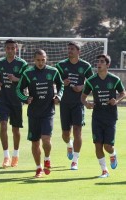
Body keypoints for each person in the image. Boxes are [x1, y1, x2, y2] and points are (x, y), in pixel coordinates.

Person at [16, 49, 64, 178]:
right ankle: (38, 168)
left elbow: (61, 85)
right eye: (38, 60)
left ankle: (47, 158)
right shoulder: (28, 73)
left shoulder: (53, 71)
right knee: (35, 142)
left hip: (48, 111)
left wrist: (58, 96)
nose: (41, 63)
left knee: (46, 139)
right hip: (33, 113)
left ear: (46, 59)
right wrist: (25, 98)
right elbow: (19, 89)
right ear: (34, 60)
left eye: (43, 60)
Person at [81, 54, 125, 178]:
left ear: (107, 65)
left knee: (107, 146)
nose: (98, 64)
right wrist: (86, 104)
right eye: (98, 61)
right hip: (97, 117)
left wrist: (116, 100)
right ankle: (104, 170)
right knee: (98, 144)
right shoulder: (91, 80)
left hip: (110, 117)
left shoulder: (114, 79)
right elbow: (83, 97)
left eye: (101, 62)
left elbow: (123, 93)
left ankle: (112, 154)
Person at [55, 42, 93, 170]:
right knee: (66, 134)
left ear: (78, 51)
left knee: (77, 130)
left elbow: (92, 83)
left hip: (78, 103)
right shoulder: (60, 65)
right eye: (68, 49)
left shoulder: (85, 66)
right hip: (64, 103)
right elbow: (54, 82)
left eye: (72, 49)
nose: (69, 51)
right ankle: (69, 144)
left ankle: (75, 161)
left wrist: (82, 87)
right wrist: (62, 83)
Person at [0, 39, 28, 168]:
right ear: (5, 49)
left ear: (16, 49)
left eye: (12, 48)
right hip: (3, 99)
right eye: (7, 48)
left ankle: (15, 155)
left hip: (17, 99)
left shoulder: (22, 64)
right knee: (3, 125)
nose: (10, 50)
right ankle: (6, 156)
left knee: (15, 129)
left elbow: (26, 81)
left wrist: (16, 79)